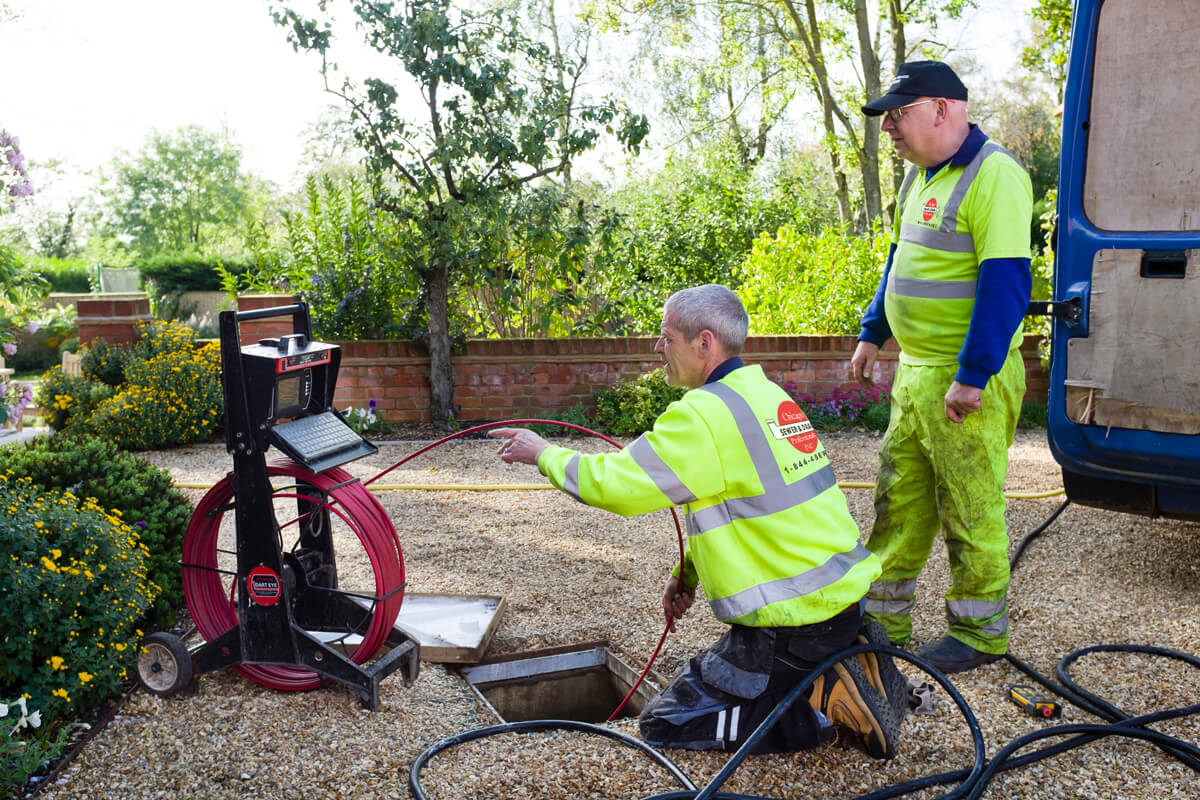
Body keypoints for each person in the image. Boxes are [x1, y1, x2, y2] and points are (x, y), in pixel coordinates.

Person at [492, 284, 907, 758]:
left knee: (667, 723)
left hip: (793, 626)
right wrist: (686, 574)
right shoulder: (765, 395)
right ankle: (844, 655)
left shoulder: (705, 416)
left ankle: (820, 702)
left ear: (704, 343)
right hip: (836, 606)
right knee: (701, 690)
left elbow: (617, 485)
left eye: (666, 336)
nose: (657, 347)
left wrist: (542, 452)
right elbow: (752, 512)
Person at [851, 61, 1033, 673]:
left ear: (942, 108)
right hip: (917, 374)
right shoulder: (918, 180)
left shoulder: (995, 176)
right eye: (886, 119)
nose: (890, 130)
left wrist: (974, 375)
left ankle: (978, 635)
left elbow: (1005, 284)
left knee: (969, 505)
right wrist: (873, 333)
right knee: (898, 500)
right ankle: (880, 622)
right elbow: (900, 263)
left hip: (962, 379)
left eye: (897, 115)